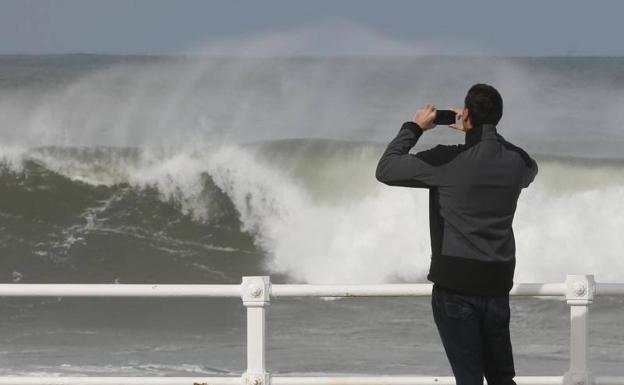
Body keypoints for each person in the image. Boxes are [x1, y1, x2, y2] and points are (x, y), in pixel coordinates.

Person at [375, 83, 538, 385]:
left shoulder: (444, 160)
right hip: (497, 283)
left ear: (466, 115)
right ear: (498, 117)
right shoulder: (520, 162)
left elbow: (386, 169)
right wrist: (478, 134)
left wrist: (415, 127)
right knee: (502, 379)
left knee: (469, 380)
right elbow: (527, 167)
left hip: (456, 286)